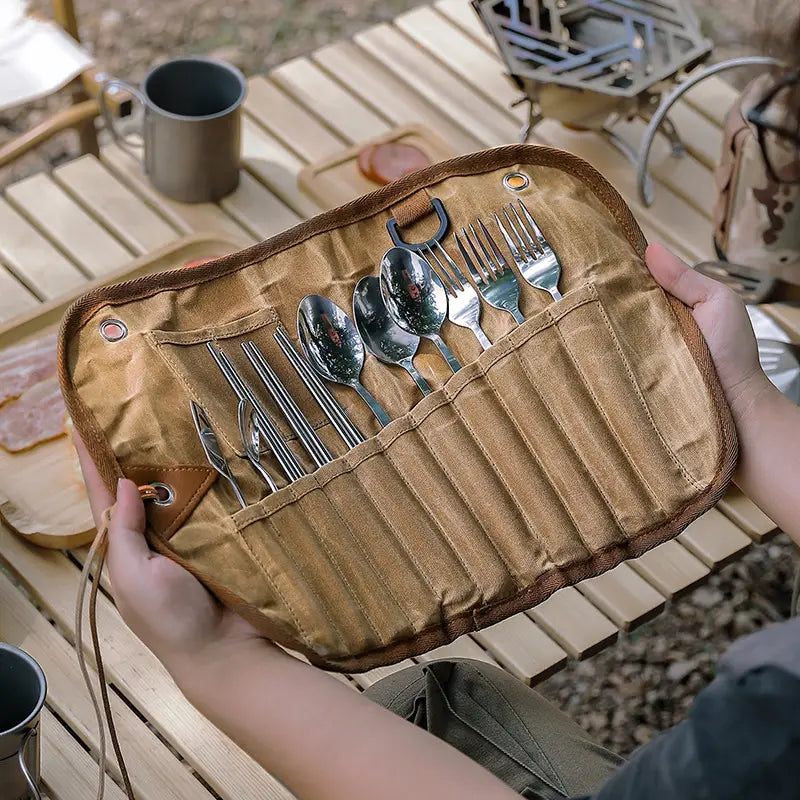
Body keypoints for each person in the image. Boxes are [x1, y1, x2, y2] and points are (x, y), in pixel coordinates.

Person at [75, 60, 800, 800]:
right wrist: (740, 396)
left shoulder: (769, 730)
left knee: (418, 700)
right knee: (436, 693)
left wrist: (217, 662)